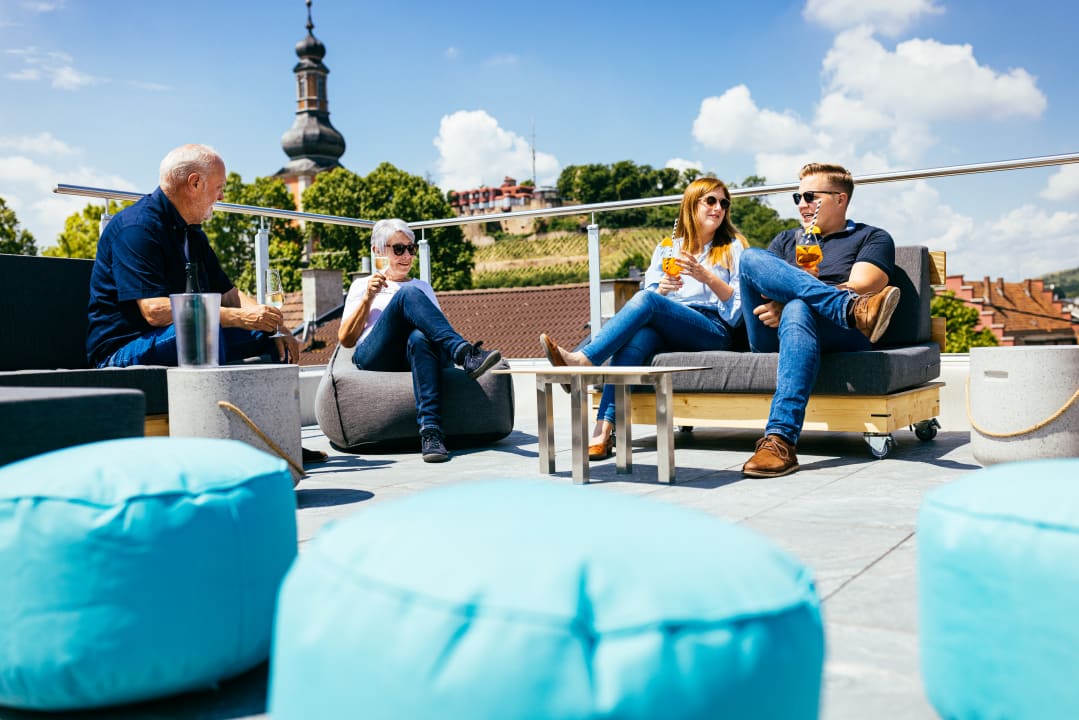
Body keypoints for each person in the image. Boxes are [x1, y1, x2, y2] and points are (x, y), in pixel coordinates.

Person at [539, 176, 748, 460]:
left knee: (648, 301)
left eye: (724, 203)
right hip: (670, 324)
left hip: (714, 328)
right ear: (691, 205)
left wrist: (706, 276)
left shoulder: (733, 247)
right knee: (640, 336)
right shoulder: (667, 248)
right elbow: (650, 293)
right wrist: (662, 289)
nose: (718, 208)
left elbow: (737, 310)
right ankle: (602, 432)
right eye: (710, 201)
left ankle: (584, 360)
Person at [738, 162, 900, 478]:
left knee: (799, 307)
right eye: (797, 197)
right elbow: (760, 287)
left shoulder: (872, 237)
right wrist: (810, 295)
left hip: (838, 332)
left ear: (840, 199)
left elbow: (866, 284)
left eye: (811, 196)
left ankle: (780, 440)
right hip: (772, 329)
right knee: (748, 257)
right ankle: (845, 307)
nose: (802, 204)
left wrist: (796, 298)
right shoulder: (785, 239)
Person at [87, 143, 300, 369]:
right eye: (219, 187)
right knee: (201, 332)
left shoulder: (192, 233)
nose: (222, 196)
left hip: (175, 338)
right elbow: (155, 311)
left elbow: (229, 294)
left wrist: (271, 322)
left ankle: (250, 405)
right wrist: (239, 318)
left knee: (266, 337)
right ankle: (210, 403)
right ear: (195, 183)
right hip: (122, 351)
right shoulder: (136, 229)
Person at [337, 218, 502, 463]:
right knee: (407, 294)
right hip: (375, 355)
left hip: (416, 355)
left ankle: (431, 433)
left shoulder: (423, 287)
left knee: (421, 336)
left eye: (411, 248)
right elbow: (346, 340)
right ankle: (465, 354)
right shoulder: (362, 285)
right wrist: (367, 300)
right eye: (398, 249)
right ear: (378, 251)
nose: (407, 255)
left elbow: (437, 333)